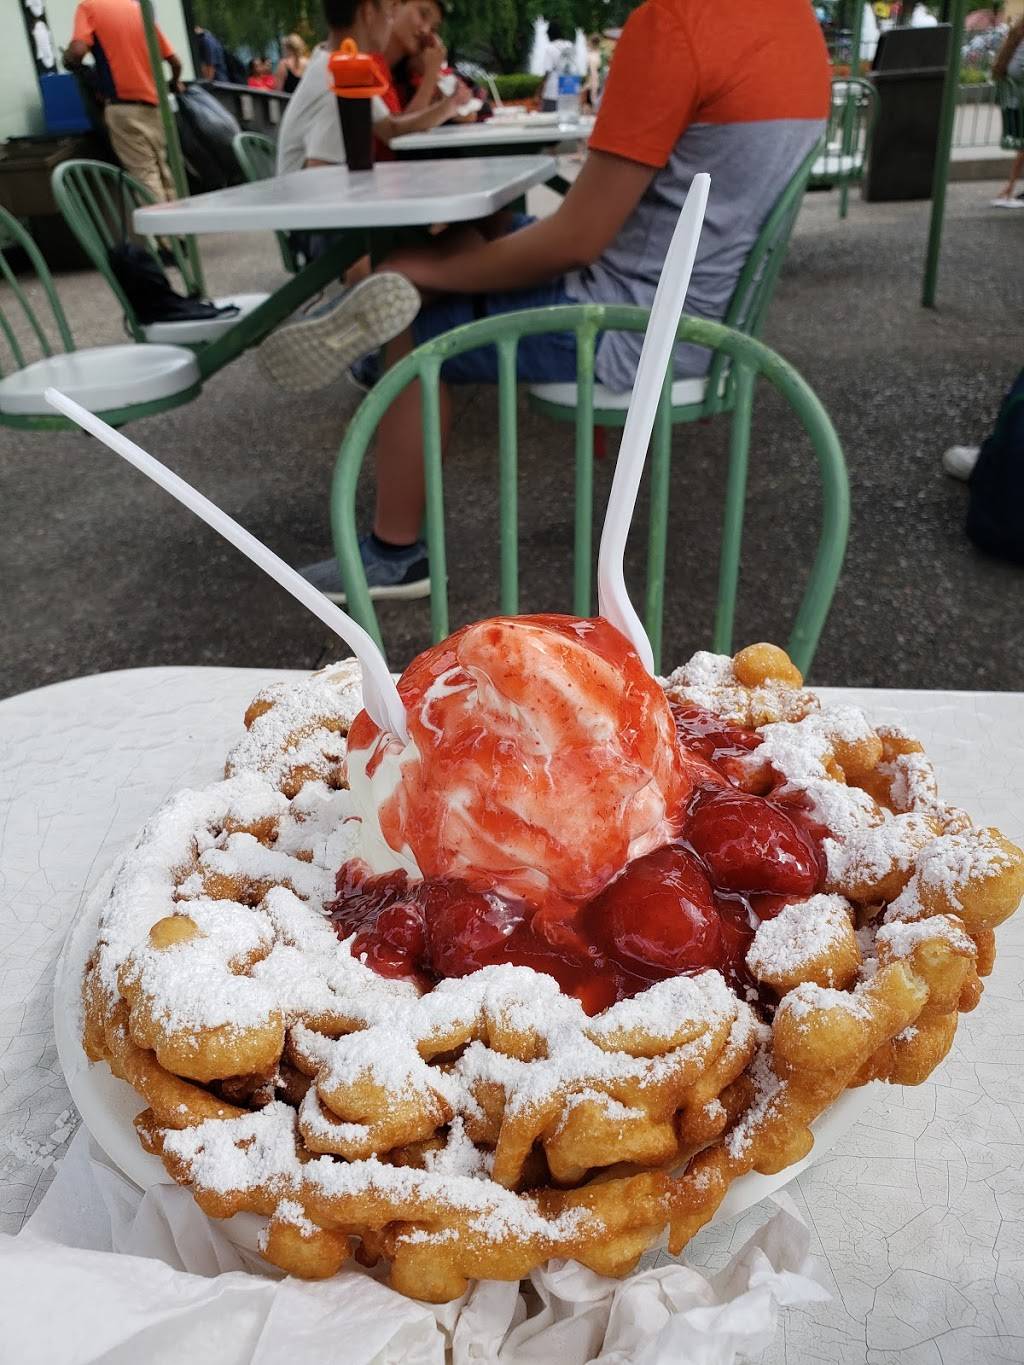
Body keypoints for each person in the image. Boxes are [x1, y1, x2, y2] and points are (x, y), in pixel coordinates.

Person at [276, 0, 830, 601]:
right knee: (484, 230)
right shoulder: (798, 24)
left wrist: (432, 273)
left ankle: (394, 554)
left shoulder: (676, 23)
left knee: (411, 332)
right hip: (706, 312)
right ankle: (396, 295)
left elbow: (576, 240)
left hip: (635, 326)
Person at [274, 0, 465, 177]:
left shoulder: (334, 63)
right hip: (313, 198)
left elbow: (390, 129)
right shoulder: (337, 83)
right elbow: (322, 176)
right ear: (368, 12)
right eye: (389, 14)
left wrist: (450, 105)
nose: (391, 24)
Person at [64, 0, 181, 203]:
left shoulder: (89, 7)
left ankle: (160, 224)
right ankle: (178, 222)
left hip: (123, 108)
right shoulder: (139, 10)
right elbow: (175, 62)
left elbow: (77, 52)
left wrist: (68, 60)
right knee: (163, 173)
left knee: (145, 176)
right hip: (155, 108)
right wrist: (174, 83)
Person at [991, 16, 1024, 207]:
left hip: (1015, 113)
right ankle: (1009, 189)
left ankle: (1009, 189)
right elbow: (1019, 71)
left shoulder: (1014, 42)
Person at [540, 21, 578, 112]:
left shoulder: (550, 48)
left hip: (553, 91)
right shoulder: (569, 45)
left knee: (550, 115)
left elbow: (548, 71)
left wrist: (540, 90)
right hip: (569, 87)